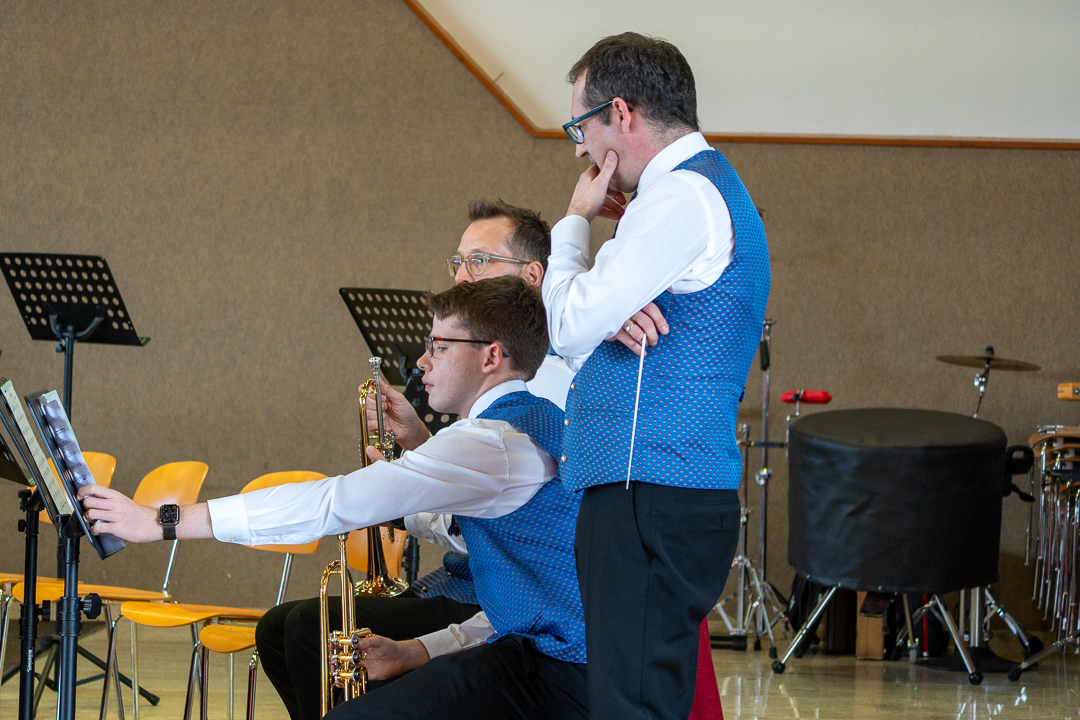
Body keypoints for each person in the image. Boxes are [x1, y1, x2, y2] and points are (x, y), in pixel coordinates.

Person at [80, 275, 589, 720]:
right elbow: (527, 596)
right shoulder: (530, 425)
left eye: (438, 346)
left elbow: (330, 503)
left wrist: (162, 521)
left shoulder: (493, 442)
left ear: (491, 356)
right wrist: (419, 650)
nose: (421, 361)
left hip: (564, 671)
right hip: (539, 651)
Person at [253, 198, 578, 720]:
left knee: (311, 630)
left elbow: (507, 525)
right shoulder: (494, 381)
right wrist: (421, 448)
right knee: (284, 628)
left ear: (533, 275)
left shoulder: (547, 379)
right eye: (459, 262)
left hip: (507, 605)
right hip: (473, 583)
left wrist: (395, 502)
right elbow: (484, 496)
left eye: (479, 261)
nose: (463, 275)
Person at [543, 32, 771, 720]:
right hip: (659, 488)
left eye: (581, 127)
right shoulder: (690, 192)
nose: (579, 149)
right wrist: (606, 310)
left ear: (621, 113)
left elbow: (566, 324)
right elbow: (590, 334)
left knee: (631, 707)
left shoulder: (680, 197)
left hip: (649, 491)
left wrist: (575, 224)